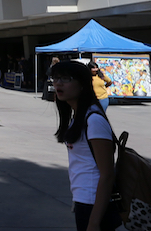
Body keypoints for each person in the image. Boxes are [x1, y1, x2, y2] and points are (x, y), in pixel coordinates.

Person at [51, 61, 121, 231]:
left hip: (94, 204)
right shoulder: (78, 117)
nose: (58, 83)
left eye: (66, 78)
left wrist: (94, 222)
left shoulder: (94, 120)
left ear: (82, 84)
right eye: (56, 78)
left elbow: (107, 174)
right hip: (83, 200)